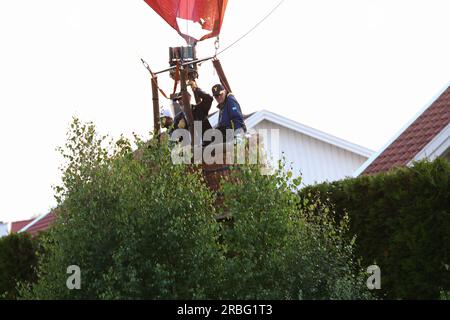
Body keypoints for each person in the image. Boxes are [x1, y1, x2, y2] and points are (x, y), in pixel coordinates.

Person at [172, 80, 214, 145]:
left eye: (181, 98)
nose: (180, 101)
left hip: (209, 146)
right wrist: (180, 130)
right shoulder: (178, 119)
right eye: (178, 100)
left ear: (189, 98)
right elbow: (177, 141)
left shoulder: (199, 109)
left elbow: (209, 98)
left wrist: (195, 89)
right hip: (192, 151)